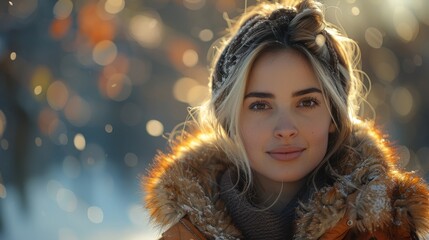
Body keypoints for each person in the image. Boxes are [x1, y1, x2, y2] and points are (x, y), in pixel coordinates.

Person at [142, 0, 429, 239]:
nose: (286, 129)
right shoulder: (184, 235)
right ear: (230, 120)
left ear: (333, 116)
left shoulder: (385, 230)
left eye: (306, 102)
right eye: (260, 106)